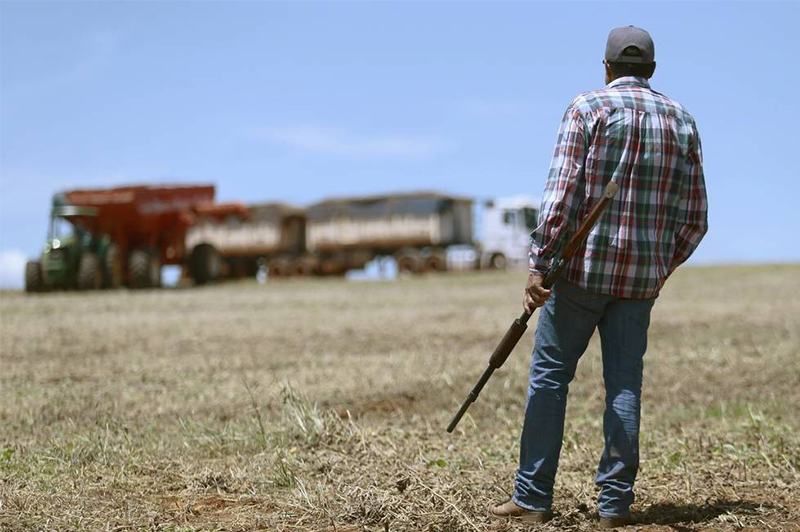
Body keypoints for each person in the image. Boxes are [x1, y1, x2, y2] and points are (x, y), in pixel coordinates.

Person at [489, 26, 708, 528]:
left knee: (549, 380)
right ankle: (614, 507)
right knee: (624, 387)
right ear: (651, 70)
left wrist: (540, 264)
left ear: (606, 67)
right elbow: (696, 219)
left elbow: (561, 197)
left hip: (580, 276)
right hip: (639, 285)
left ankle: (532, 498)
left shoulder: (587, 108)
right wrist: (656, 266)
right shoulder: (683, 121)